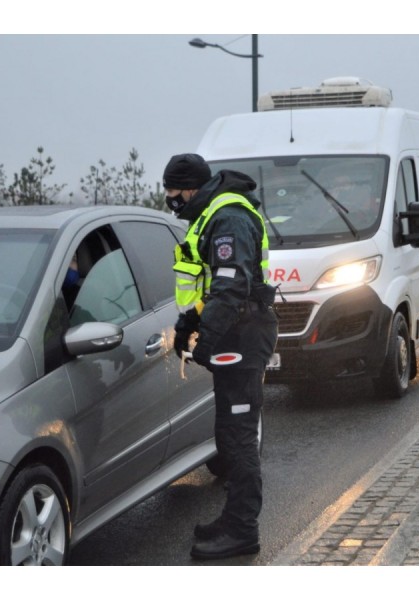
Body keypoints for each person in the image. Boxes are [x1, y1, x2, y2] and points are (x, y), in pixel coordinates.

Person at [163, 153, 279, 561]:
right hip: (236, 331)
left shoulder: (227, 217)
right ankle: (233, 520)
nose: (171, 202)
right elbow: (207, 285)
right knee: (228, 433)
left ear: (191, 189)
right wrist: (186, 325)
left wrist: (206, 340)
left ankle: (242, 530)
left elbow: (230, 287)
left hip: (242, 335)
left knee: (239, 438)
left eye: (174, 194)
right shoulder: (211, 214)